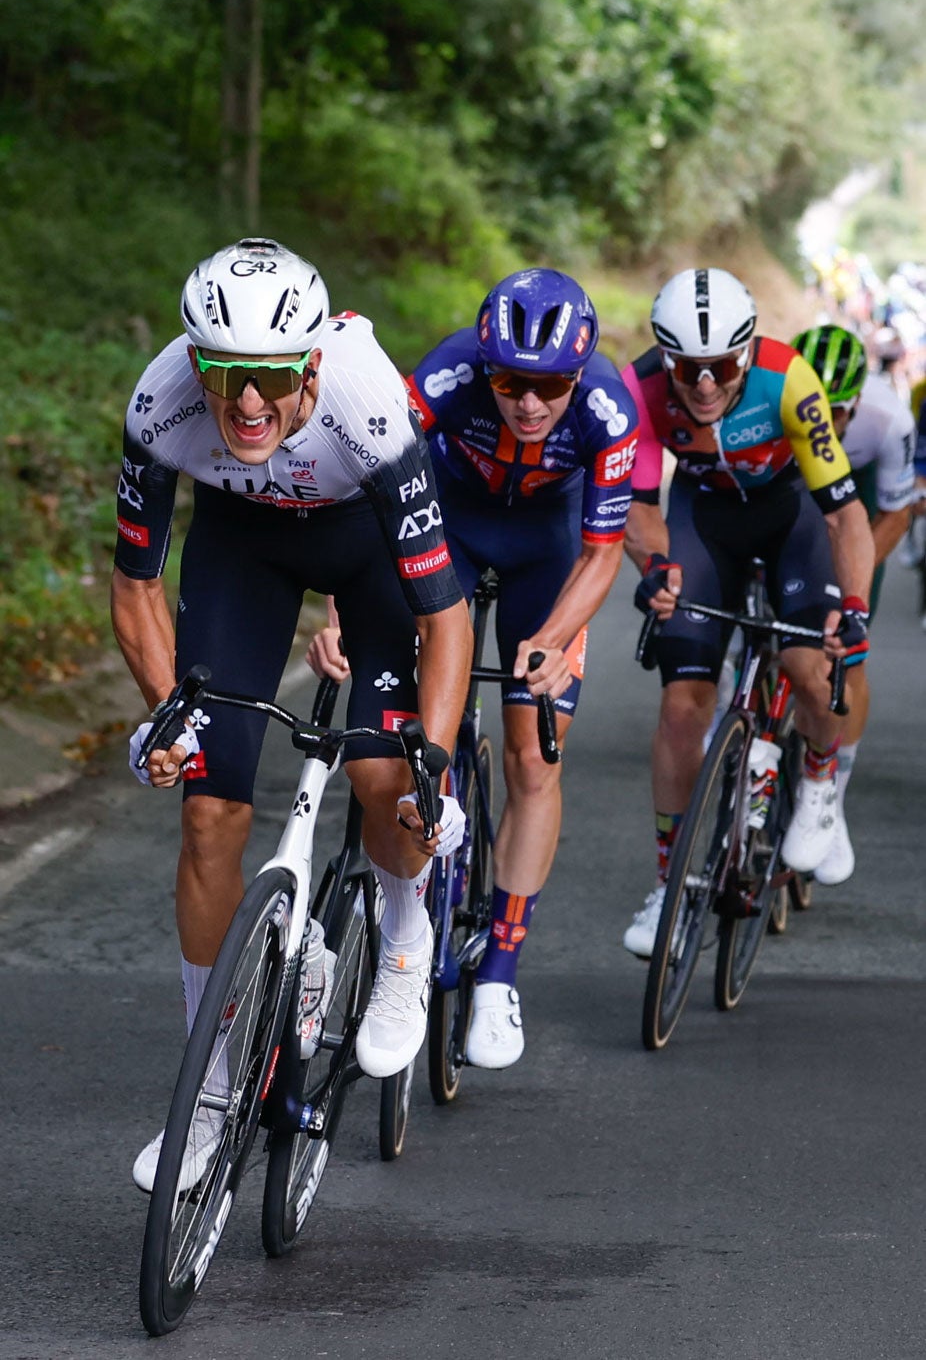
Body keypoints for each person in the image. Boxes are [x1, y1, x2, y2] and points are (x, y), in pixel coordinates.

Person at [112, 237, 472, 1191]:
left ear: (311, 360)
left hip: (367, 550)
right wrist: (169, 717)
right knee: (205, 812)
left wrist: (431, 757)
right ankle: (213, 1091)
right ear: (196, 359)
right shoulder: (161, 402)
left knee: (382, 777)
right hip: (244, 548)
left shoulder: (368, 402)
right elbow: (137, 586)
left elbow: (444, 611)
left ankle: (402, 936)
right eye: (225, 372)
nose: (248, 401)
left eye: (272, 374)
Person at [308, 268, 639, 1067]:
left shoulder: (607, 410)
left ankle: (500, 971)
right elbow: (369, 492)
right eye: (510, 382)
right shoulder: (446, 373)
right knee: (413, 723)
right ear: (484, 365)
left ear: (579, 374)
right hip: (447, 521)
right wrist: (340, 614)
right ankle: (409, 911)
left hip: (547, 551)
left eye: (550, 385)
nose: (529, 403)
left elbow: (602, 553)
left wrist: (556, 639)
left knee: (532, 753)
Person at [619, 267, 875, 958]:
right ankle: (670, 884)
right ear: (664, 357)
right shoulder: (638, 389)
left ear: (749, 350)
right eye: (687, 369)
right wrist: (656, 570)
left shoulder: (789, 380)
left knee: (811, 664)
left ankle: (821, 782)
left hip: (787, 519)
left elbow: (845, 513)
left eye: (723, 365)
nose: (704, 385)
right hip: (703, 523)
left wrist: (852, 607)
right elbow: (636, 507)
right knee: (682, 705)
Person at [790, 324, 915, 883]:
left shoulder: (889, 418)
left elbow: (897, 513)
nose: (829, 422)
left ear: (857, 400)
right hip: (790, 492)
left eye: (838, 410)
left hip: (862, 504)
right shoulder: (775, 397)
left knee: (847, 655)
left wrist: (850, 588)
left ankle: (831, 795)